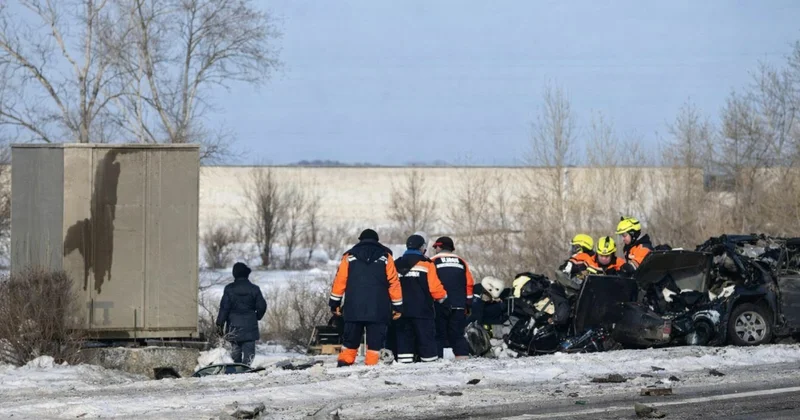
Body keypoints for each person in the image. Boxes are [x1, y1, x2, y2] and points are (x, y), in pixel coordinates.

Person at [329, 229, 402, 367]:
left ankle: (344, 363)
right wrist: (397, 306)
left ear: (360, 240)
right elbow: (394, 283)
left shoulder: (349, 256)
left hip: (353, 307)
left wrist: (335, 303)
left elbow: (340, 281)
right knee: (375, 343)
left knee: (350, 340)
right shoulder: (386, 257)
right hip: (379, 308)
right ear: (377, 241)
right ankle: (372, 366)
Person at [393, 234, 448, 363]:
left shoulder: (396, 264)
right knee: (426, 340)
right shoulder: (427, 264)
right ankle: (428, 367)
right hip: (423, 311)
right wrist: (443, 298)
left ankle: (404, 365)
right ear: (422, 247)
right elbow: (435, 288)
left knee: (404, 340)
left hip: (401, 310)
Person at [430, 236, 474, 360]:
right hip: (459, 305)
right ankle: (463, 359)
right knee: (458, 335)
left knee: (438, 335)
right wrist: (468, 303)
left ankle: (437, 360)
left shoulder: (432, 261)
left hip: (439, 304)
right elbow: (469, 284)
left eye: (436, 247)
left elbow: (430, 283)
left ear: (439, 246)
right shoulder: (461, 262)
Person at [215, 262, 267, 365]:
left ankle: (237, 370)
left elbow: (224, 309)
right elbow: (262, 306)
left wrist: (219, 325)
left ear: (234, 274)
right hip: (250, 327)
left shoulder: (229, 289)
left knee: (235, 355)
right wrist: (257, 317)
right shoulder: (254, 289)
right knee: (249, 356)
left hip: (233, 327)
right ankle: (245, 370)